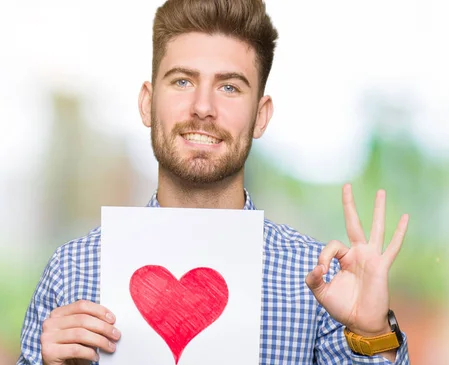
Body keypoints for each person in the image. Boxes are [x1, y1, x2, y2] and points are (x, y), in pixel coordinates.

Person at [18, 0, 411, 364]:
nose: (203, 108)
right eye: (183, 82)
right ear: (146, 104)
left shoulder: (319, 282)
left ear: (261, 116)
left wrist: (371, 331)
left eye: (229, 87)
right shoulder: (72, 272)